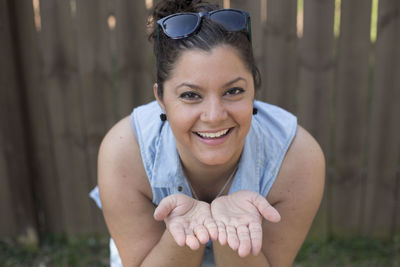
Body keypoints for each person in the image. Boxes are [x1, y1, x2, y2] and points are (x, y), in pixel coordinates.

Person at [90, 0, 325, 266]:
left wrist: (231, 238)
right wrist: (183, 236)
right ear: (161, 99)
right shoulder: (124, 153)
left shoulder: (297, 158)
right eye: (190, 95)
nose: (214, 116)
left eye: (233, 91)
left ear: (253, 90)